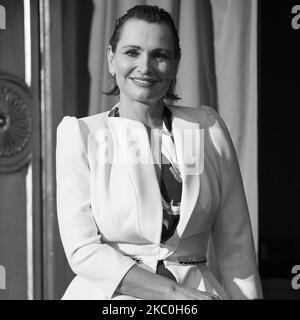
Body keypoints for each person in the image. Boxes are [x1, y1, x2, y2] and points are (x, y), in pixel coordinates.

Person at [56, 5, 263, 300]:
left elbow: (237, 251)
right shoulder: (80, 135)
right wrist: (174, 294)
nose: (145, 66)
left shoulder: (209, 130)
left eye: (160, 55)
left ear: (176, 63)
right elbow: (83, 250)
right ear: (111, 59)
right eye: (132, 52)